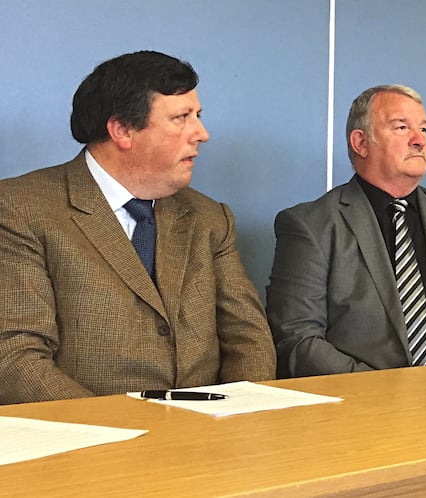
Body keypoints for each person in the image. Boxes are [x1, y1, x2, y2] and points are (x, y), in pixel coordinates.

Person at [0, 51, 276, 404]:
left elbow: (248, 338)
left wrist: (241, 416)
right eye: (181, 118)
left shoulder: (210, 217)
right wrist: (119, 432)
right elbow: (15, 357)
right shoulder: (21, 209)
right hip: (93, 443)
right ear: (122, 130)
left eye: (198, 116)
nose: (202, 134)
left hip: (208, 441)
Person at [267, 84, 426, 377]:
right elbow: (298, 340)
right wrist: (391, 388)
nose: (419, 141)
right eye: (401, 127)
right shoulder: (311, 226)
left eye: (423, 129)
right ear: (360, 143)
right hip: (368, 403)